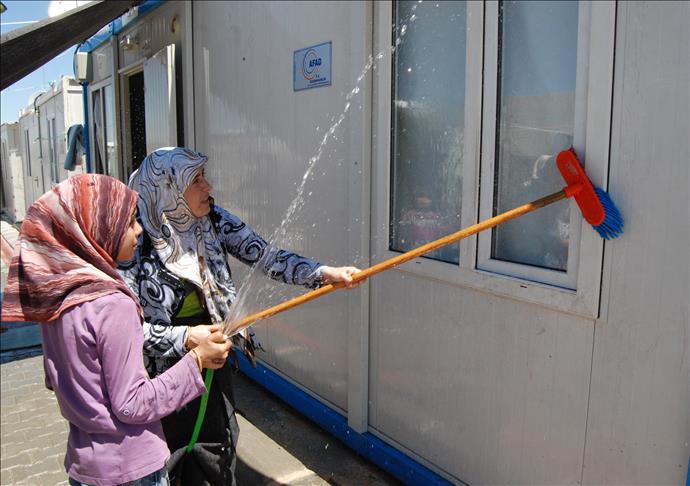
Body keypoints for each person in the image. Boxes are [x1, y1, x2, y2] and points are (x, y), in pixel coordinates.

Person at [118, 147, 362, 486]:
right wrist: (186, 339)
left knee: (218, 446)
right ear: (168, 188)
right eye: (196, 180)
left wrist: (324, 274)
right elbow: (125, 332)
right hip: (162, 373)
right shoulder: (134, 242)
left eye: (204, 177)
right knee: (172, 455)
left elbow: (266, 256)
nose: (208, 187)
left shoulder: (212, 219)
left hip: (213, 353)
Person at [1, 174, 232, 486]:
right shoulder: (112, 304)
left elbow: (56, 380)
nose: (139, 230)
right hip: (132, 469)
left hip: (85, 467)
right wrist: (197, 360)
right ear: (99, 229)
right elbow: (133, 404)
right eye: (130, 222)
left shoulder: (58, 299)